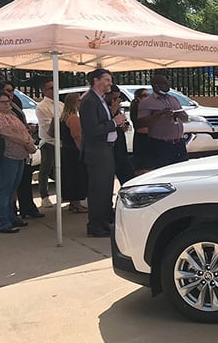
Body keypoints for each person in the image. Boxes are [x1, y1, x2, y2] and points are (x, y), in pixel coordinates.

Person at [0, 81, 44, 221]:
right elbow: (7, 133)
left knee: (12, 189)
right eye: (4, 102)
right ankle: (4, 221)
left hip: (19, 157)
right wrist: (27, 143)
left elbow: (21, 130)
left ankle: (12, 217)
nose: (8, 103)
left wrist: (28, 140)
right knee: (4, 190)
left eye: (8, 101)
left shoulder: (11, 114)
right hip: (7, 157)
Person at [79, 68, 125, 237]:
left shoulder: (100, 100)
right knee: (98, 190)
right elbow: (92, 130)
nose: (109, 83)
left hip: (105, 149)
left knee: (106, 189)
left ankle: (104, 221)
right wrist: (114, 122)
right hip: (97, 151)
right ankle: (96, 225)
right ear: (96, 80)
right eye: (106, 80)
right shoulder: (89, 101)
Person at [136, 74, 189, 169]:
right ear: (155, 85)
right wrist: (159, 114)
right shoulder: (147, 102)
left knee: (181, 171)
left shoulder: (173, 99)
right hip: (161, 145)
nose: (167, 85)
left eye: (167, 82)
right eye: (164, 83)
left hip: (179, 143)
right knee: (164, 172)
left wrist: (179, 115)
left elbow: (185, 118)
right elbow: (141, 123)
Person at [35, 78, 63, 208]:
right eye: (51, 88)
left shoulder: (61, 104)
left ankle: (63, 192)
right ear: (44, 91)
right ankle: (44, 196)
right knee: (45, 169)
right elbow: (48, 128)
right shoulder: (42, 107)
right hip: (49, 142)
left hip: (62, 142)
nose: (54, 90)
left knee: (61, 170)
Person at [58, 93, 88, 213]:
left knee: (69, 176)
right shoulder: (73, 117)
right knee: (76, 176)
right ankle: (76, 202)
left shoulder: (62, 117)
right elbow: (77, 136)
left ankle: (72, 202)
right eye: (79, 100)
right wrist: (82, 150)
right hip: (73, 151)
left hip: (66, 149)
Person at [129, 88, 151, 173]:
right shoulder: (136, 108)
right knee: (143, 168)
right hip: (142, 140)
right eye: (145, 95)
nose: (148, 97)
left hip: (149, 140)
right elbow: (140, 128)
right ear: (138, 98)